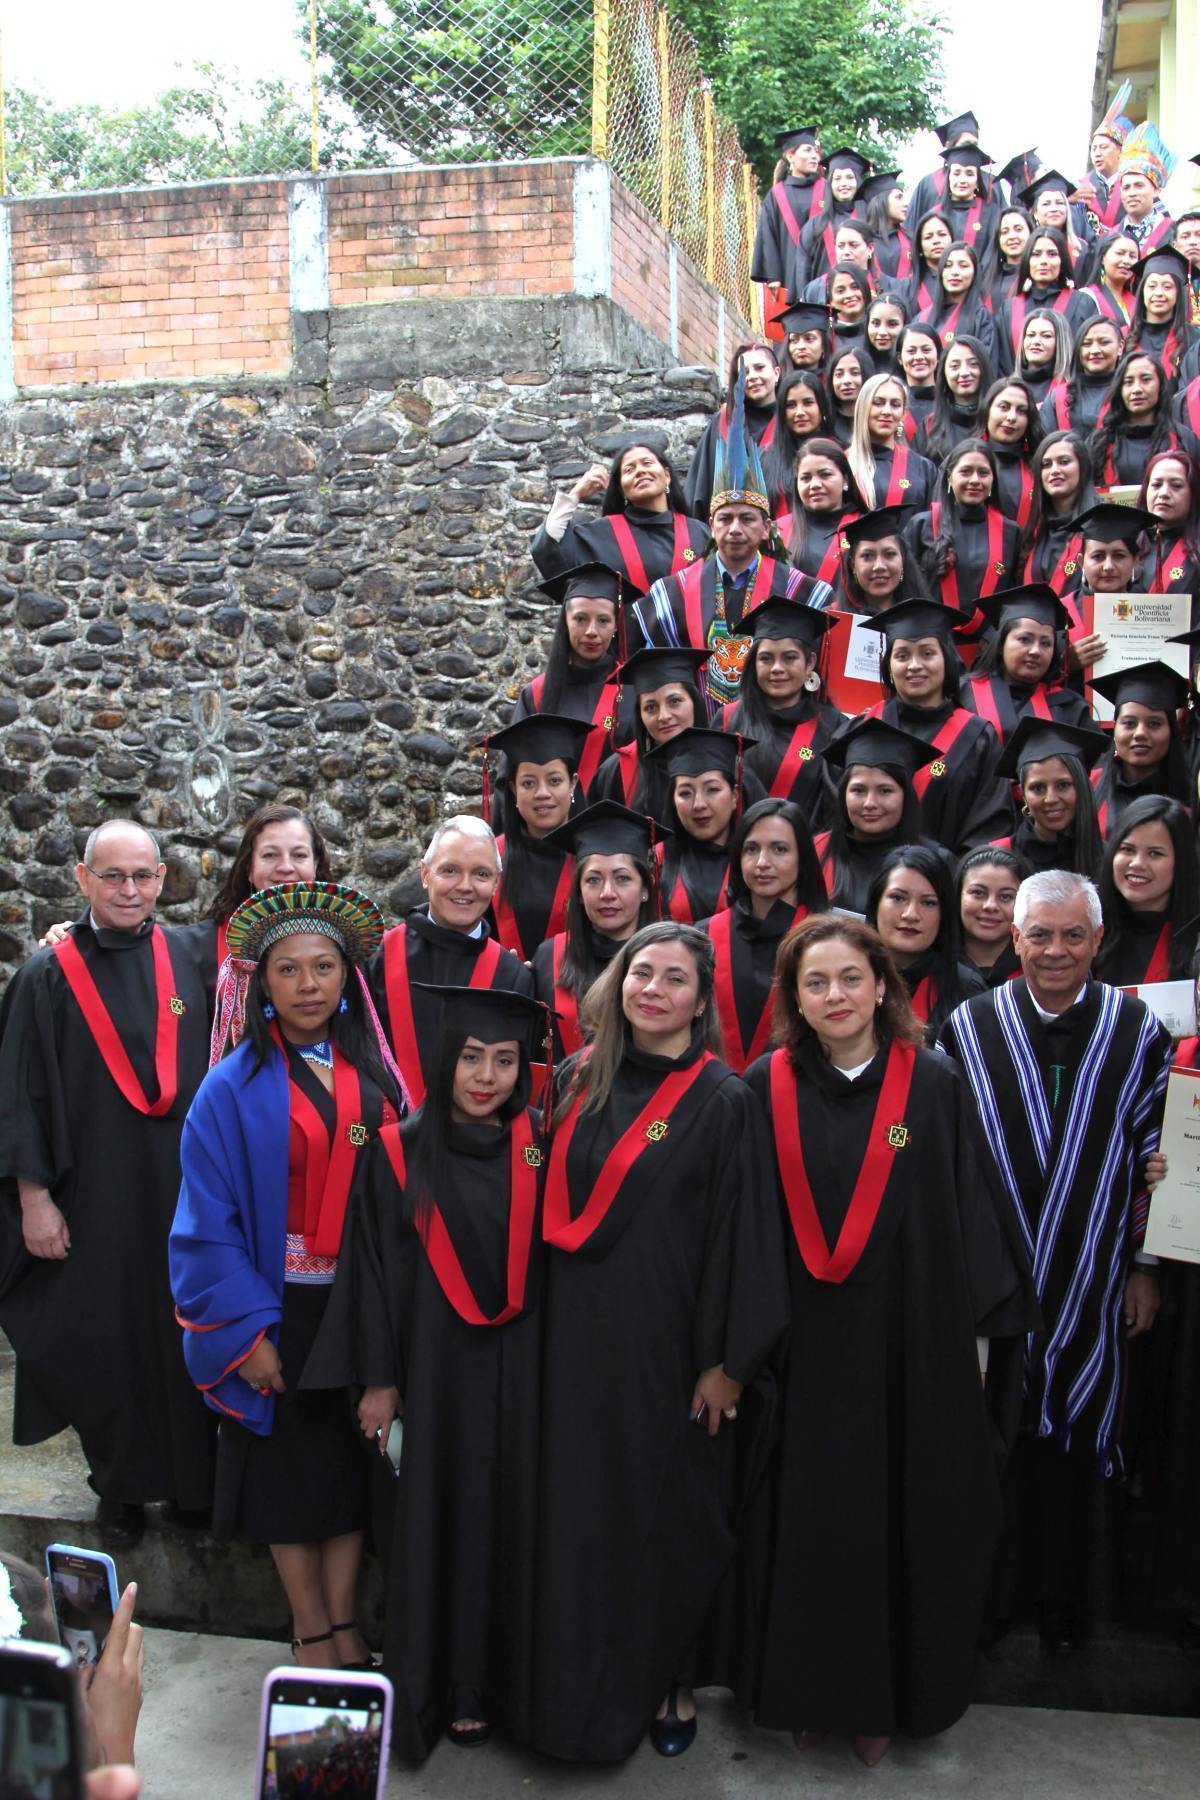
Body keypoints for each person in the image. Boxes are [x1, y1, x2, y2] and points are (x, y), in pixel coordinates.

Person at [741, 913, 1031, 1764]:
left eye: (850, 978)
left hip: (910, 1346)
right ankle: (806, 1694)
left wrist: (975, 1348)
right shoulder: (764, 1087)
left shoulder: (931, 1084)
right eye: (815, 982)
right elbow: (745, 1223)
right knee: (809, 1523)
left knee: (899, 1518)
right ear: (794, 999)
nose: (835, 995)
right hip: (799, 1350)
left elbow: (966, 1214)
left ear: (881, 986)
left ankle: (888, 1703)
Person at [532, 921, 788, 1762]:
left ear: (701, 999)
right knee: (577, 1515)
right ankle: (567, 1682)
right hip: (570, 1343)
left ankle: (669, 1676)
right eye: (641, 972)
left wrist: (724, 1364)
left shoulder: (724, 1099)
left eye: (675, 979)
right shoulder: (577, 1078)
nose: (653, 990)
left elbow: (743, 1238)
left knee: (665, 1518)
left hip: (667, 1348)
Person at [169, 880, 402, 1672]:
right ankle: (309, 1629)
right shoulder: (228, 1087)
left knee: (347, 1470)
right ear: (262, 985)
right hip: (280, 1308)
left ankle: (345, 1620)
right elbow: (206, 1221)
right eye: (289, 970)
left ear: (347, 979)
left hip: (358, 1304)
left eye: (324, 968)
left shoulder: (377, 1078)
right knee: (286, 1476)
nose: (309, 985)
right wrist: (245, 1330)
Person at [939, 869, 1172, 1653]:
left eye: (1074, 935)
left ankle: (1067, 1602)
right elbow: (945, 1154)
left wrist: (1145, 1267)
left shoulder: (1138, 1031)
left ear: (1099, 939)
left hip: (1095, 1277)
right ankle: (994, 1596)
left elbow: (1157, 1153)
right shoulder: (969, 1027)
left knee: (1075, 1441)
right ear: (1014, 938)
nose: (1056, 950)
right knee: (993, 1437)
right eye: (1039, 934)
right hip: (994, 1280)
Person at [335, 984, 549, 1760]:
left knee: (509, 1527)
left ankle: (496, 1693)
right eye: (471, 1058)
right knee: (429, 1528)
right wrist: (377, 1380)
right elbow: (368, 1274)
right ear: (443, 1060)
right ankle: (433, 1692)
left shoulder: (539, 1147)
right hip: (429, 1378)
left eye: (505, 1061)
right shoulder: (396, 1151)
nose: (486, 1077)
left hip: (520, 1378)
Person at [0, 819, 215, 1550]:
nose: (129, 890)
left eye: (143, 876)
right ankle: (120, 1486)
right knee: (107, 1338)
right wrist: (33, 1199)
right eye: (113, 876)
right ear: (83, 879)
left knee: (187, 1333)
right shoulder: (47, 975)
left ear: (162, 879)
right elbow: (19, 1091)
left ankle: (191, 1486)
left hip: (185, 1190)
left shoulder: (192, 956)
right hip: (93, 1193)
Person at [634, 386, 826, 710]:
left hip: (773, 725)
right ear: (711, 525)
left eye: (747, 518)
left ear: (766, 527)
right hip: (698, 729)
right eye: (725, 519)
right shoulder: (672, 594)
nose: (735, 529)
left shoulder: (801, 591)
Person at [368, 817, 534, 1109]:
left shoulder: (512, 976)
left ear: (496, 883)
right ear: (425, 874)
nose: (465, 886)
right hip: (388, 1127)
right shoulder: (379, 957)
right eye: (450, 870)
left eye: (481, 874)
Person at [861, 598, 1013, 850]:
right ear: (888, 665)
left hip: (949, 873)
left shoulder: (979, 740)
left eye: (927, 653)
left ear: (947, 659)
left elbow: (988, 830)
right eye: (902, 655)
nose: (914, 665)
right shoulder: (864, 729)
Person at [701, 797, 827, 1073]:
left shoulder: (829, 939)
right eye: (751, 849)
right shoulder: (703, 936)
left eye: (779, 849)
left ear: (803, 858)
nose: (762, 862)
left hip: (801, 1084)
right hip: (716, 1087)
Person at [533, 802, 660, 1059]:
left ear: (645, 889)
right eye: (593, 880)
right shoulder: (548, 959)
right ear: (579, 893)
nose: (607, 893)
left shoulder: (669, 960)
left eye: (622, 878)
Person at [719, 596, 843, 825]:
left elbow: (834, 812)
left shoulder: (833, 727)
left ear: (810, 663)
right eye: (766, 659)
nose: (777, 668)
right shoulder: (727, 720)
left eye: (789, 658)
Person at [508, 562, 627, 798]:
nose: (591, 631)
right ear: (565, 621)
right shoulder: (536, 695)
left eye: (603, 620)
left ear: (616, 626)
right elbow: (512, 774)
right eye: (580, 619)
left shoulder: (632, 691)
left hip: (617, 818)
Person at [485, 712, 590, 961]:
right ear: (513, 790)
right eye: (528, 783)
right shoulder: (490, 858)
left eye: (554, 780)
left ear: (573, 783)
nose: (542, 793)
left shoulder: (595, 858)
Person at [814, 716, 945, 913]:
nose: (870, 803)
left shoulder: (938, 862)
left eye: (885, 791)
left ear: (906, 796)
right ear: (843, 794)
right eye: (858, 790)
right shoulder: (815, 852)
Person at [531, 441, 708, 586]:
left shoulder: (699, 533)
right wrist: (575, 494)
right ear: (621, 489)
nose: (640, 471)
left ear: (667, 475)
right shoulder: (602, 535)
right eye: (629, 470)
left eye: (647, 463)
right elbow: (550, 543)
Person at [865, 844, 986, 1039]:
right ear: (875, 903)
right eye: (898, 898)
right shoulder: (847, 977)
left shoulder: (967, 989)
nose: (911, 914)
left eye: (928, 903)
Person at [589, 645, 710, 823]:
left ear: (695, 702)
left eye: (674, 701)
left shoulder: (725, 762)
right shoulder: (617, 772)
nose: (664, 716)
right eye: (650, 707)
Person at [648, 726, 757, 923]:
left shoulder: (761, 858)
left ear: (735, 796)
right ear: (672, 800)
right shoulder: (657, 861)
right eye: (685, 793)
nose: (699, 804)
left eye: (712, 790)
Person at [906, 438, 1022, 620]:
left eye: (983, 473)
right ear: (949, 477)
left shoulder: (1010, 533)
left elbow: (1012, 595)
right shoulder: (921, 525)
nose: (975, 480)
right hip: (931, 632)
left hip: (988, 635)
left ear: (993, 479)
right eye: (965, 472)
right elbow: (905, 584)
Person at [1095, 795, 1200, 985]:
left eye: (1154, 853)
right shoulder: (1088, 926)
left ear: (1181, 862)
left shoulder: (1195, 939)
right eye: (1127, 849)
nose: (1137, 863)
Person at [967, 586, 1093, 740]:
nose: (1035, 651)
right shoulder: (964, 694)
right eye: (1024, 640)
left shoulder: (1069, 707)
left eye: (1045, 643)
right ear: (1001, 644)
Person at [995, 717, 1107, 878]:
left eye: (1063, 785)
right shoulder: (1000, 861)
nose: (1051, 799)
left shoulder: (1109, 860)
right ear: (1022, 794)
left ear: (1082, 786)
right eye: (1038, 788)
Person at [1088, 662, 1194, 828]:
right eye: (1129, 723)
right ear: (1115, 729)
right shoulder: (1090, 785)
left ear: (1171, 732)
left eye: (1154, 724)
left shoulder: (1191, 797)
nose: (1140, 733)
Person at [685, 345, 780, 519]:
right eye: (745, 372)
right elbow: (699, 489)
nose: (752, 377)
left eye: (759, 368)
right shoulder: (722, 424)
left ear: (776, 373)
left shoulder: (790, 423)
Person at [1090, 348, 1198, 490]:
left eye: (1146, 380)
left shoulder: (1184, 440)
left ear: (1160, 386)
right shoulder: (1099, 443)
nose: (1137, 389)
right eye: (1128, 382)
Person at [997, 227, 1098, 372]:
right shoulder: (1008, 310)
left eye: (1052, 254)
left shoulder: (1083, 304)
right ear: (1027, 261)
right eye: (1036, 254)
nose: (1043, 261)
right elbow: (1002, 365)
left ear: (1062, 260)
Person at [752, 126, 827, 306]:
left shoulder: (827, 189)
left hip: (824, 271)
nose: (814, 156)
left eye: (815, 151)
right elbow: (768, 236)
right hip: (788, 274)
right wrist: (773, 276)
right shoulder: (777, 194)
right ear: (790, 156)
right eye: (807, 150)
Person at [780, 438, 866, 587]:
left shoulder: (866, 527)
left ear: (845, 480)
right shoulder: (778, 531)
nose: (815, 485)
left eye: (825, 475)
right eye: (806, 478)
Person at [846, 374, 936, 510]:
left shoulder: (923, 469)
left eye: (895, 405)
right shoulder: (843, 464)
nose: (887, 411)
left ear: (904, 414)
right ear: (863, 407)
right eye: (878, 403)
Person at [1023, 432, 1096, 597]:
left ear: (1082, 467)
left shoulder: (1101, 526)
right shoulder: (1033, 528)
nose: (1054, 470)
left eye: (1064, 462)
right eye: (1046, 464)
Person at [794, 147, 871, 286]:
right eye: (837, 178)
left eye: (849, 177)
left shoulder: (871, 220)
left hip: (866, 295)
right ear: (830, 184)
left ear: (858, 182)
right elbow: (802, 268)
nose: (843, 183)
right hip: (823, 296)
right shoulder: (815, 224)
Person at [837, 505, 930, 618]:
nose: (879, 566)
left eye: (889, 554)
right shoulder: (832, 621)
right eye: (867, 556)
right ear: (852, 565)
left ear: (903, 559)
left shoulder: (927, 619)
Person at [913, 239, 997, 364]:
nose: (955, 272)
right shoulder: (922, 318)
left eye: (963, 266)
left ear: (975, 272)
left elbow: (985, 365)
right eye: (948, 266)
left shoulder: (982, 319)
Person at [957, 845, 1031, 985]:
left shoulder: (1037, 972)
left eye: (1005, 897)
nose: (990, 906)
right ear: (958, 895)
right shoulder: (933, 972)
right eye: (978, 893)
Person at [764, 369, 834, 515]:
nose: (800, 412)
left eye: (808, 403)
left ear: (821, 407)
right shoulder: (766, 459)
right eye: (791, 405)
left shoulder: (840, 453)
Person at [916, 334, 993, 461]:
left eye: (973, 364)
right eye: (955, 366)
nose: (964, 373)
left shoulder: (998, 421)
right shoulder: (930, 426)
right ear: (943, 373)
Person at [981, 375, 1044, 528]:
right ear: (987, 409)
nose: (1011, 417)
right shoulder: (961, 461)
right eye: (1004, 407)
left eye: (1021, 411)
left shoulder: (1043, 466)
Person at [1126, 244, 1195, 382]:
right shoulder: (1125, 336)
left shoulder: (1193, 339)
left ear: (1178, 293)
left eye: (1167, 287)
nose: (1159, 293)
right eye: (1152, 286)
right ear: (1142, 291)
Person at [1139, 449, 1200, 601]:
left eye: (1176, 486)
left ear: (1193, 493)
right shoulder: (1126, 544)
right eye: (1156, 485)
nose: (1163, 493)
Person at [1078, 81, 1136, 233]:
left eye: (1103, 147)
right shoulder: (1083, 188)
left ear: (1120, 151)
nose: (1097, 153)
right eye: (1094, 149)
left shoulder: (1135, 183)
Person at [1117, 122, 1177, 253]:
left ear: (1156, 190)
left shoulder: (1174, 233)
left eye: (1139, 185)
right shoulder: (1110, 237)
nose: (1132, 193)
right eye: (1126, 187)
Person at [1077, 231, 1140, 327]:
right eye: (1120, 253)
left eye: (1132, 256)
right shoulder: (1085, 298)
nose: (1126, 261)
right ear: (1102, 258)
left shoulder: (1138, 302)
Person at [983, 205, 1033, 305]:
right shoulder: (987, 279)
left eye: (1018, 229)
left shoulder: (1039, 276)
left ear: (1031, 232)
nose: (1012, 236)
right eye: (1005, 232)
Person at [825, 343, 871, 446]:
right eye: (839, 374)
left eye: (855, 373)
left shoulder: (878, 421)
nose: (846, 381)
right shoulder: (824, 423)